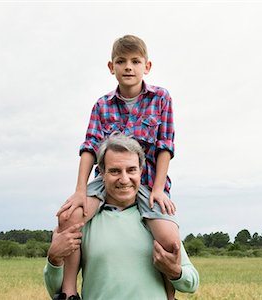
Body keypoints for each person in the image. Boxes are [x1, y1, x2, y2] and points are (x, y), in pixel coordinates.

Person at [56, 35, 180, 299]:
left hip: (146, 181)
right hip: (108, 180)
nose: (128, 67)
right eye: (121, 61)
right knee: (68, 218)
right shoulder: (102, 105)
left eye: (136, 61)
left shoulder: (161, 98)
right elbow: (89, 147)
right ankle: (68, 290)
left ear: (147, 66)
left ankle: (169, 294)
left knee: (169, 239)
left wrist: (158, 189)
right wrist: (80, 191)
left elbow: (165, 147)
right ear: (111, 67)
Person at [45, 133, 199, 299]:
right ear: (102, 173)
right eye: (115, 171)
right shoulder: (85, 221)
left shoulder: (157, 219)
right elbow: (58, 290)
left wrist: (175, 272)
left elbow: (192, 283)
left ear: (141, 170)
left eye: (131, 170)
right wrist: (54, 259)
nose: (124, 179)